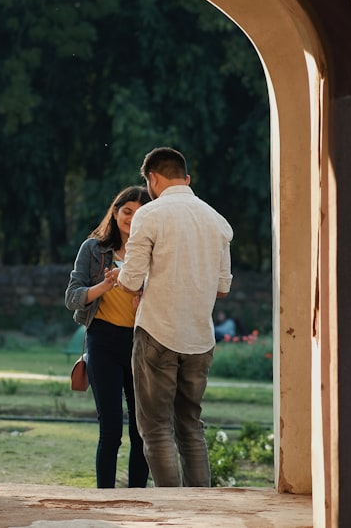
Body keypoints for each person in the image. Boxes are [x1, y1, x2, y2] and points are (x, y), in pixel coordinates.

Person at [112, 147, 234, 487]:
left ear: (152, 178)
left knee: (156, 428)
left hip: (157, 333)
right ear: (186, 179)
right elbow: (222, 289)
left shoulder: (149, 216)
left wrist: (128, 281)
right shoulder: (216, 220)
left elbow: (130, 281)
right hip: (199, 338)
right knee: (190, 425)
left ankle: (175, 509)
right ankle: (201, 508)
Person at [65, 185, 152, 489]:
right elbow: (72, 297)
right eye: (127, 211)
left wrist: (144, 296)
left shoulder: (153, 252)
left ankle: (137, 498)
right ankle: (104, 497)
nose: (132, 218)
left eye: (140, 213)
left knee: (141, 429)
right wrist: (105, 286)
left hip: (141, 343)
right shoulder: (93, 249)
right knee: (111, 429)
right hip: (102, 342)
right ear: (115, 213)